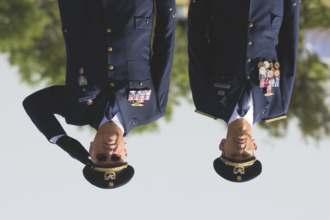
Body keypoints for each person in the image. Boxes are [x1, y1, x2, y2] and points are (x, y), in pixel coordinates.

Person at [23, 0, 176, 189]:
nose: (109, 152)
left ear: (90, 149)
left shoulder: (76, 111)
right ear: (125, 152)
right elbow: (165, 45)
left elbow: (33, 104)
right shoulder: (151, 110)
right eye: (116, 158)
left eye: (102, 158)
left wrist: (61, 140)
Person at [188, 0, 300, 182]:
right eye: (246, 156)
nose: (240, 151)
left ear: (222, 146)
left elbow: (197, 47)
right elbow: (289, 50)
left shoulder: (206, 101)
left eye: (232, 155)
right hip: (269, 8)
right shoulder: (276, 106)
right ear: (254, 146)